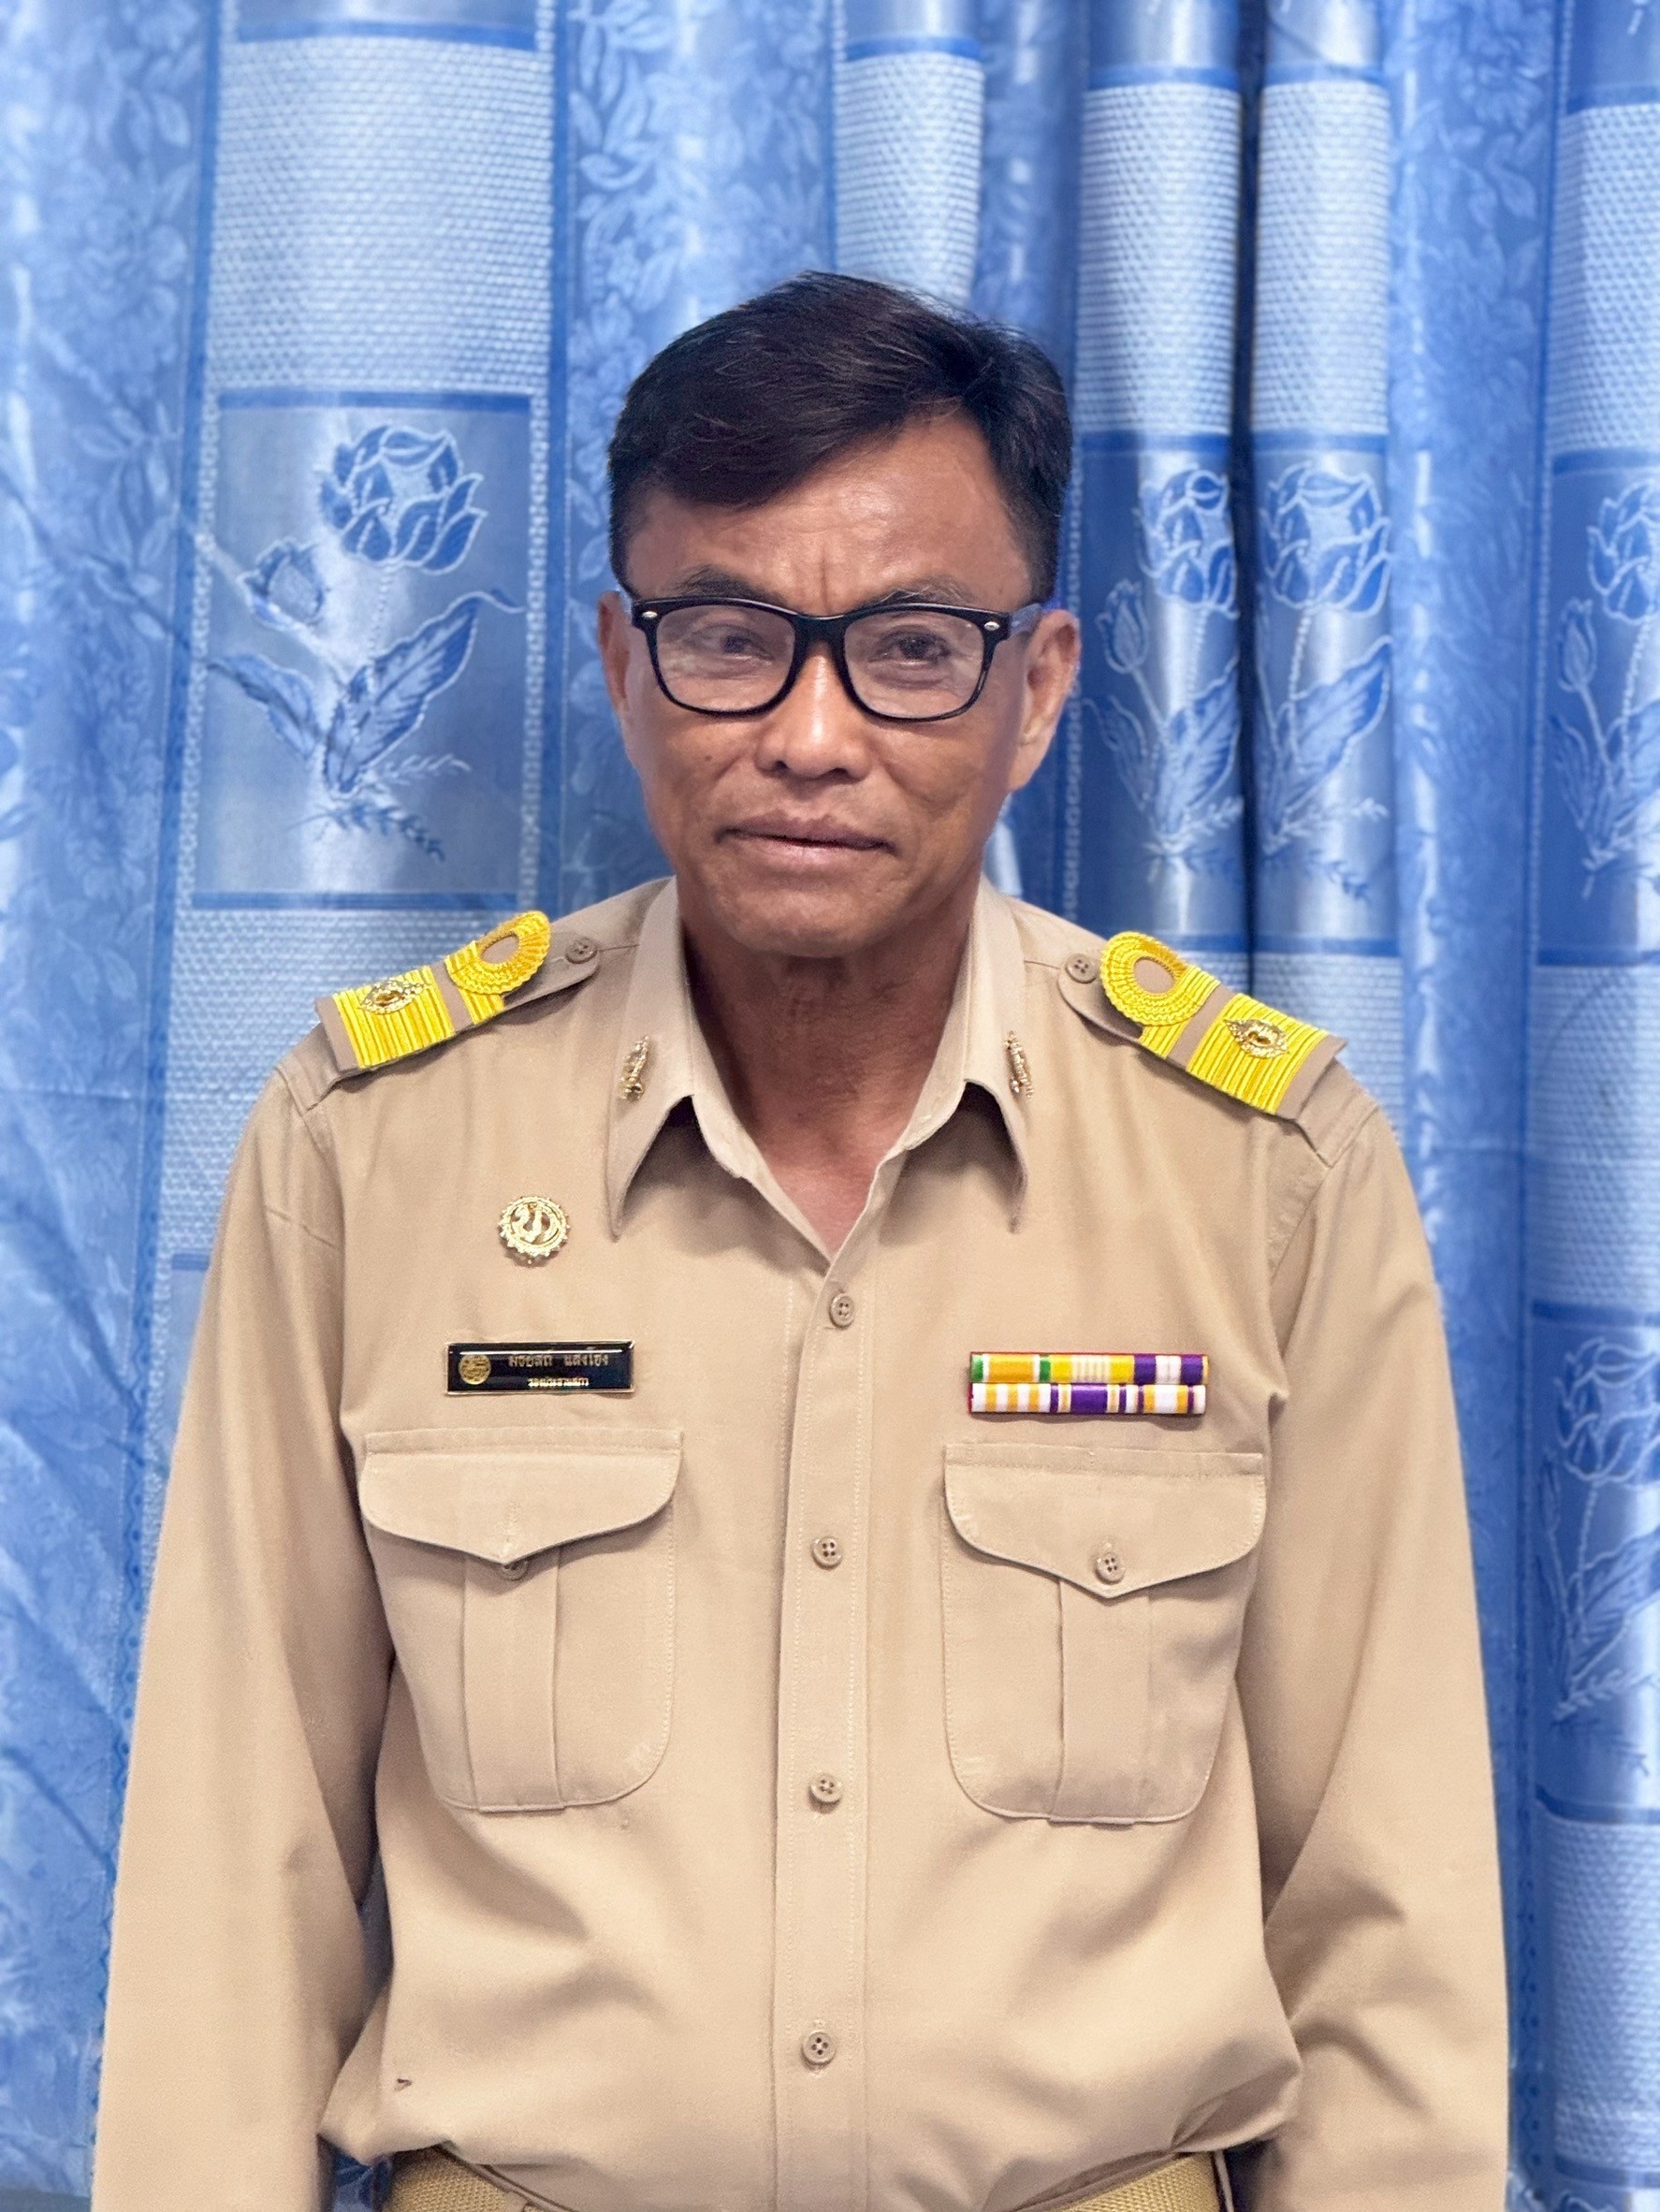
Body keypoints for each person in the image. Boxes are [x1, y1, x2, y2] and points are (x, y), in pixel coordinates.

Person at [93, 273, 1507, 2212]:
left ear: (1037, 689)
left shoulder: (1259, 1169)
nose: (811, 734)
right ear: (621, 664)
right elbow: (230, 1876)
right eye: (728, 639)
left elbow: (1385, 1906)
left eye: (911, 648)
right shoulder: (376, 1146)